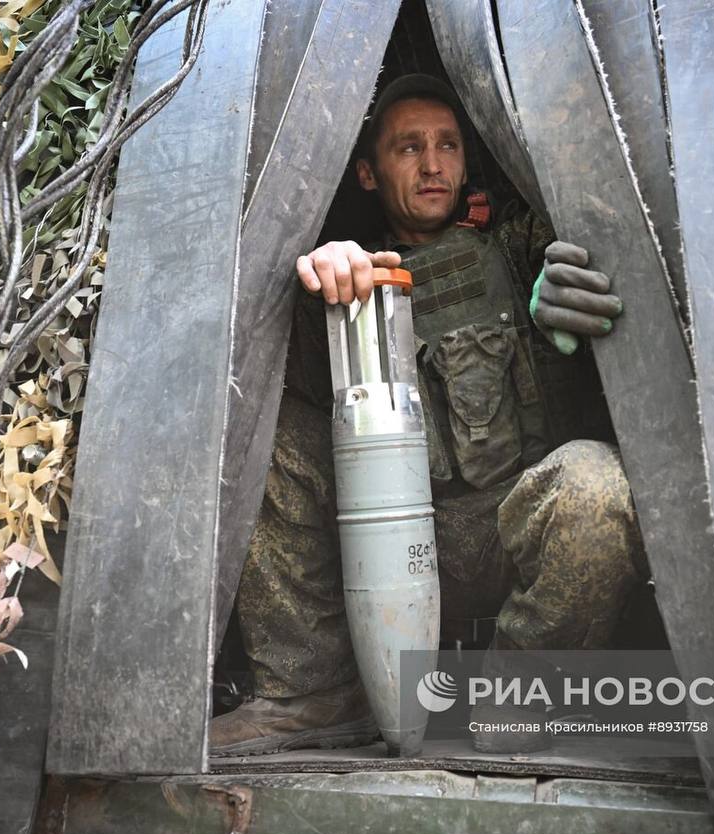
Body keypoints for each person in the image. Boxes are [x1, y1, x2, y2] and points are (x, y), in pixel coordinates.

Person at [210, 75, 647, 756]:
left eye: (447, 145)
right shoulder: (340, 276)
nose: (434, 163)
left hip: (512, 524)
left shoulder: (517, 243)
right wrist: (323, 276)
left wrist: (561, 288)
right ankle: (314, 693)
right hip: (381, 542)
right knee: (259, 435)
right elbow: (260, 363)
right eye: (408, 147)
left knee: (595, 486)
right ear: (365, 171)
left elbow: (586, 254)